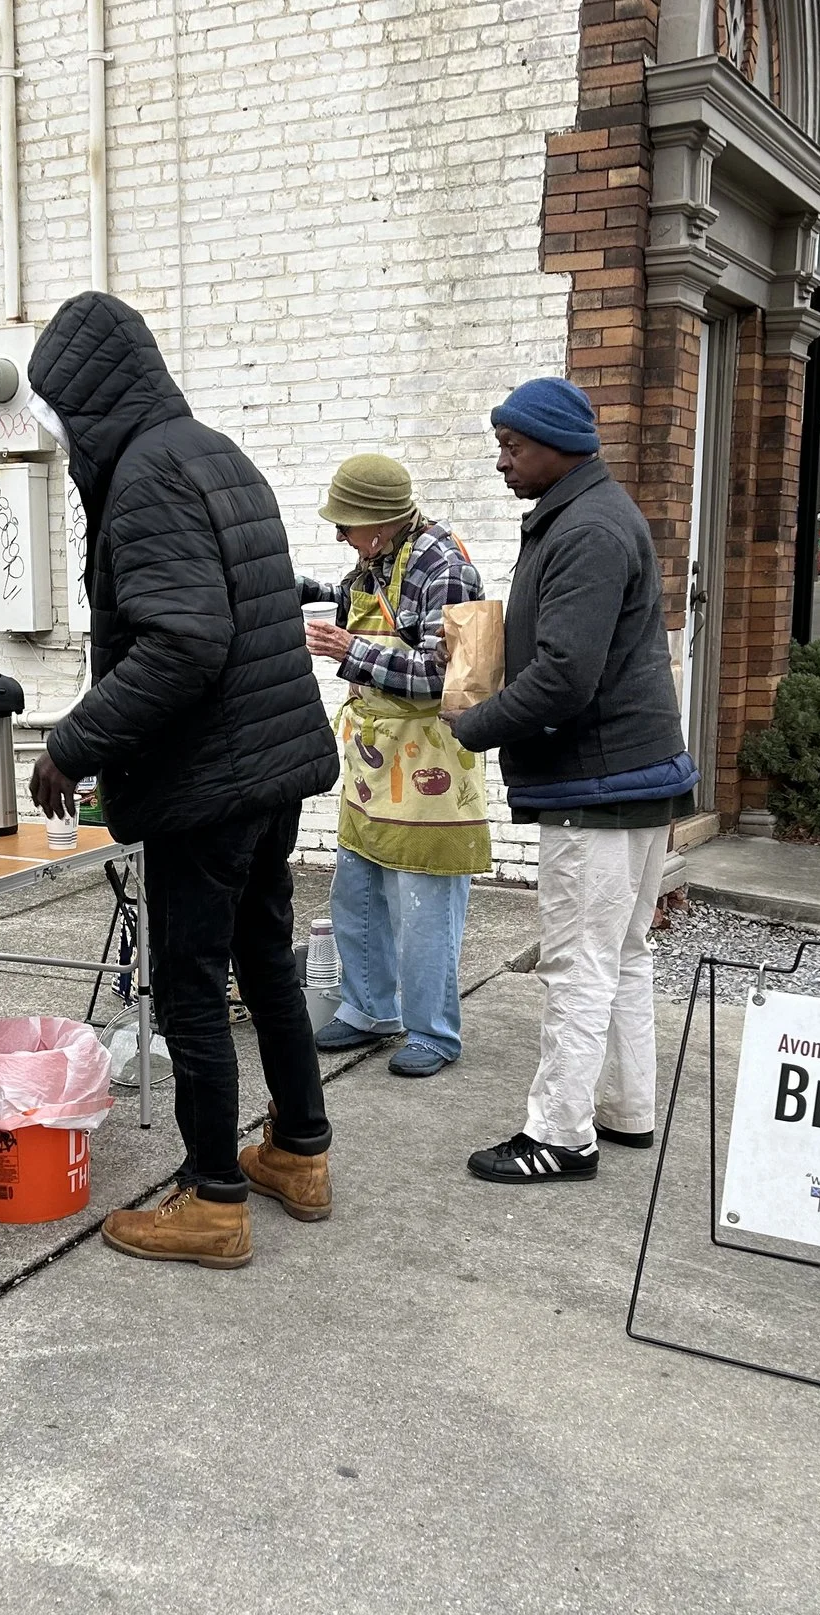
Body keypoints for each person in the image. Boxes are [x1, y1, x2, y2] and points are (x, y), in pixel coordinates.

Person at [23, 293, 339, 1269]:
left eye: (59, 413)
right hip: (268, 763)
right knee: (266, 959)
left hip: (211, 778)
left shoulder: (147, 477)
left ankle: (212, 1200)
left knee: (190, 985)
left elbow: (182, 643)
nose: (59, 435)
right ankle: (299, 1151)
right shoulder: (210, 451)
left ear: (89, 400)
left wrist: (71, 745)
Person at [450, 377, 695, 1185]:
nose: (502, 461)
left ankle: (560, 1134)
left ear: (559, 446)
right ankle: (625, 1111)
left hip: (601, 785)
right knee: (621, 954)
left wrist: (472, 726)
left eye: (513, 446)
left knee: (579, 962)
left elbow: (564, 678)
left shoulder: (586, 528)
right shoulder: (593, 513)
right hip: (634, 777)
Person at [297, 453, 488, 1078]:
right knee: (357, 892)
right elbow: (358, 596)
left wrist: (351, 651)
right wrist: (303, 590)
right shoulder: (380, 560)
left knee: (425, 908)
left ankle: (433, 1031)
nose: (339, 537)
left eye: (345, 526)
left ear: (377, 524)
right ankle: (369, 1007)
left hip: (431, 764)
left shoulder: (447, 569)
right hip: (376, 762)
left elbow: (444, 675)